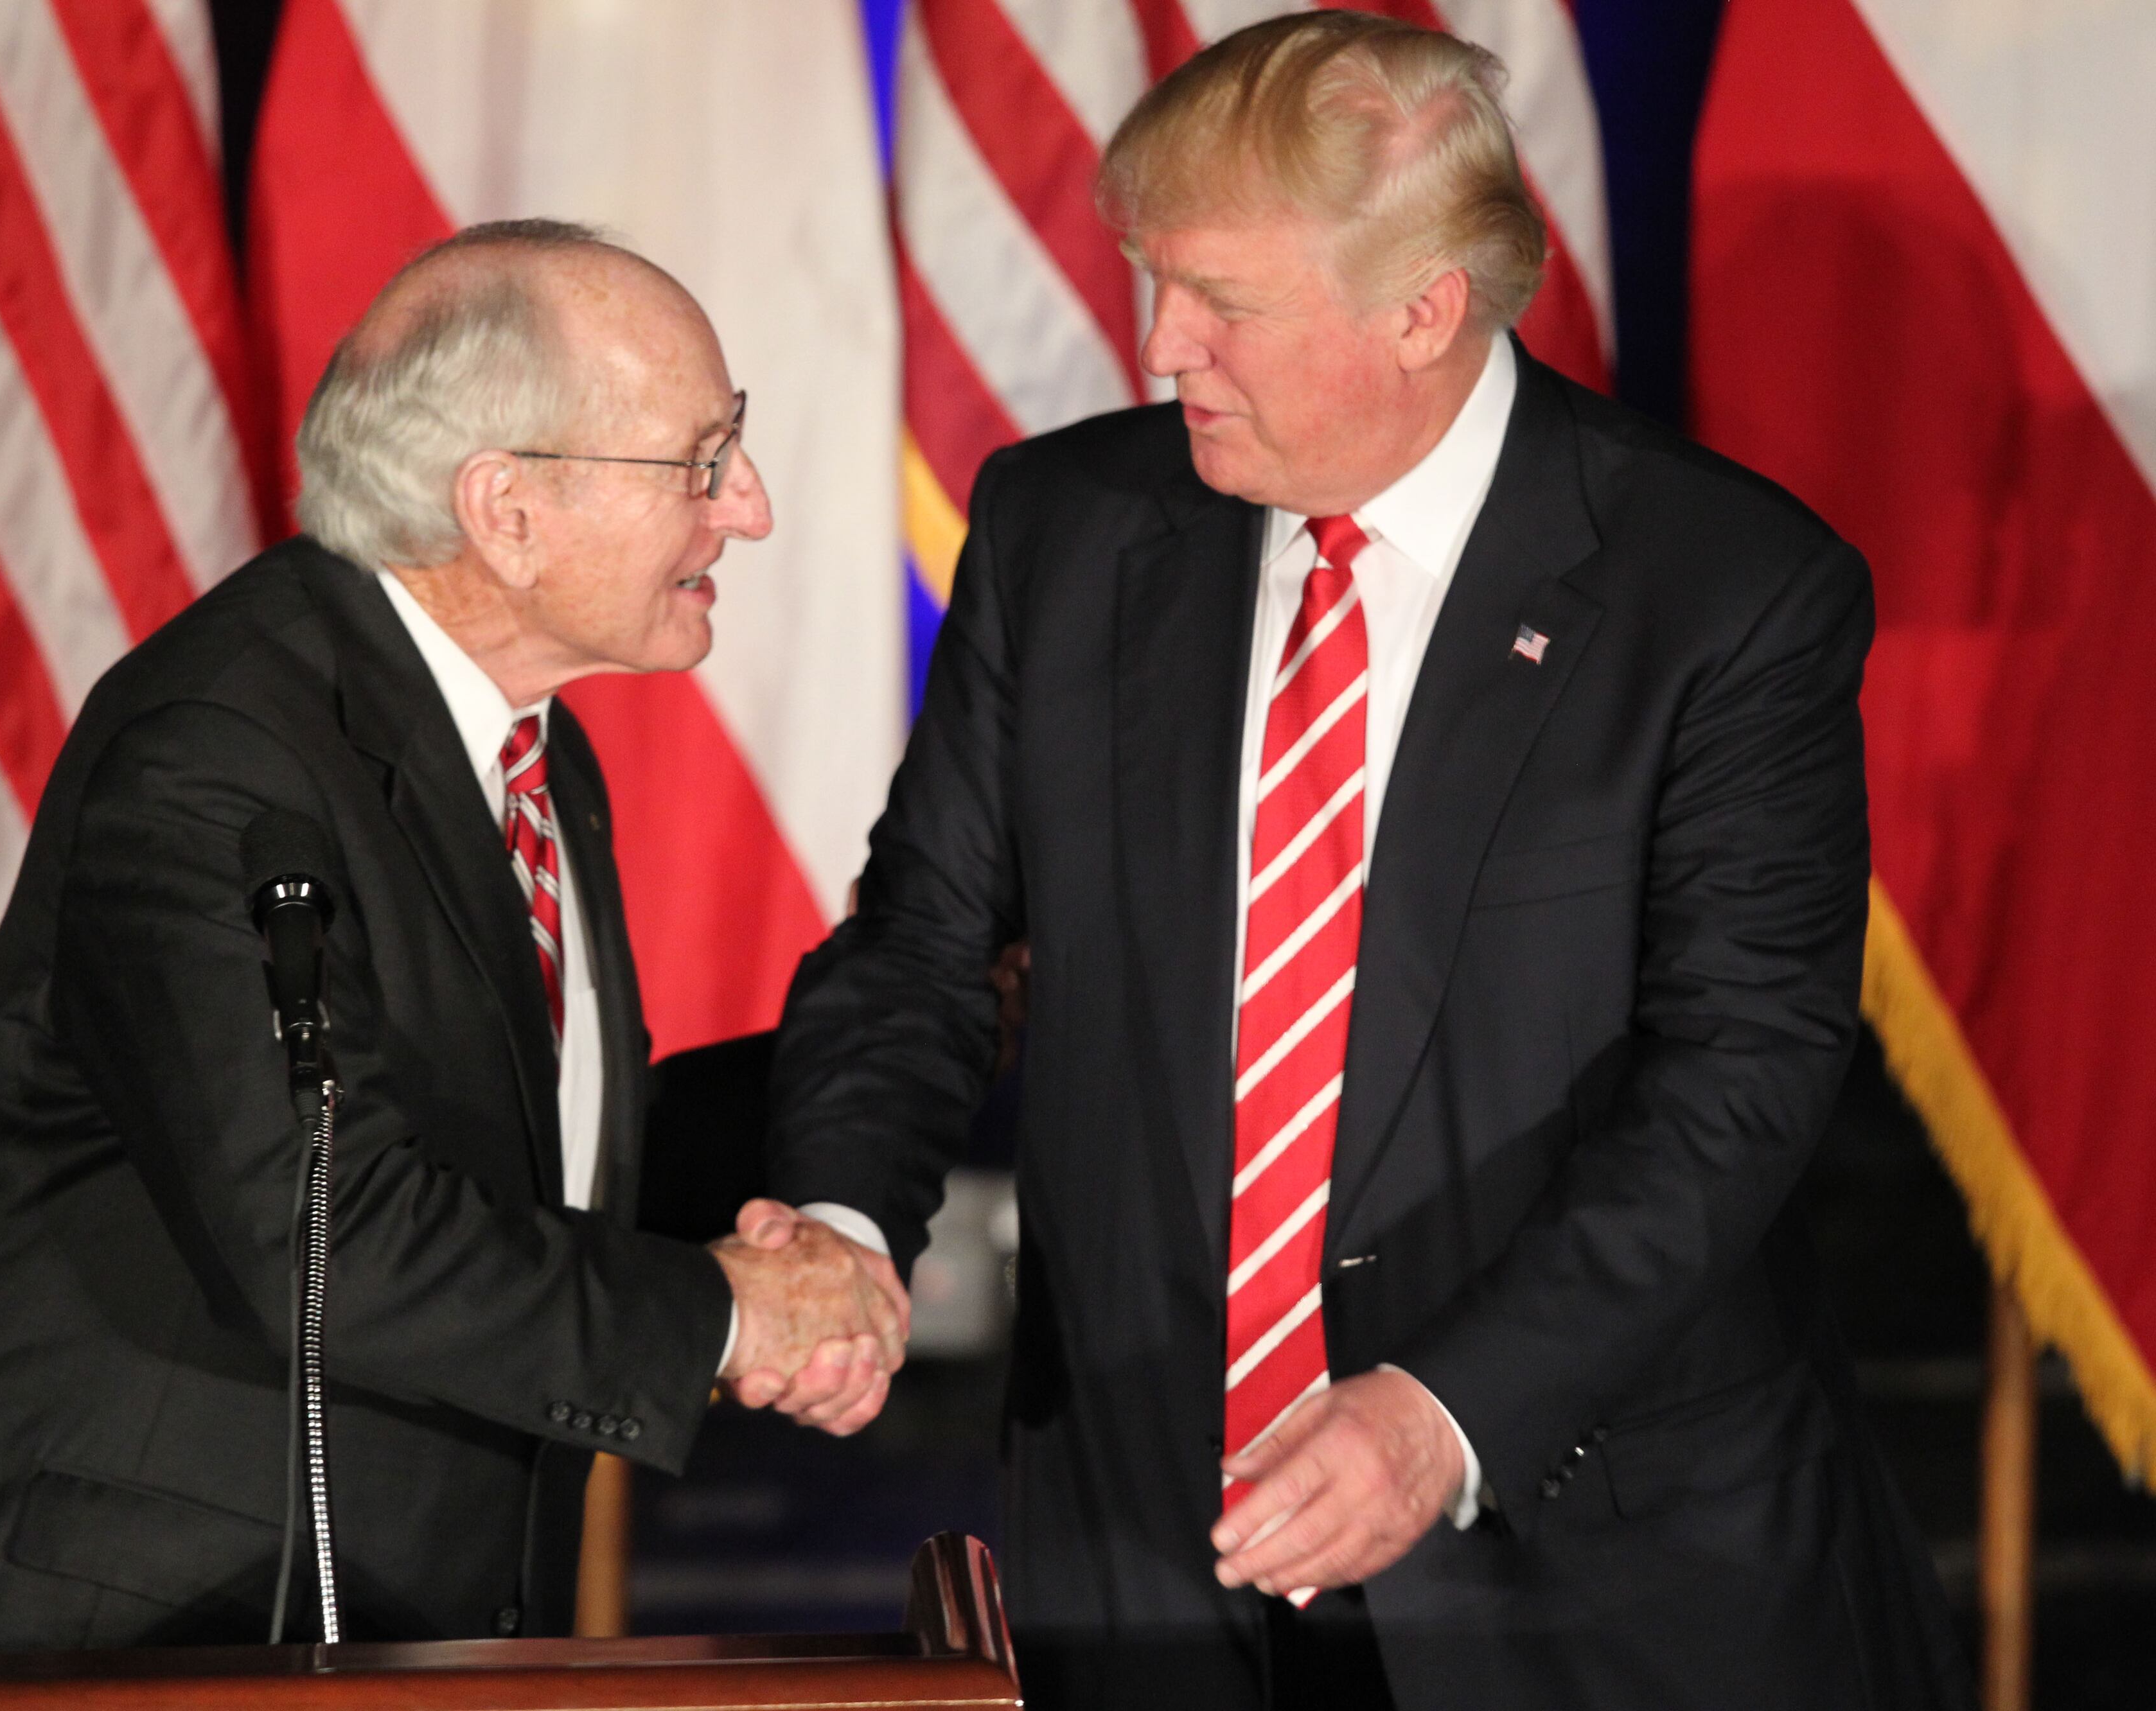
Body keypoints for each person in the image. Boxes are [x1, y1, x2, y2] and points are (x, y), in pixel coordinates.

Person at [764, 15, 1972, 1710]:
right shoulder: (1065, 529)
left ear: (1425, 310)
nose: (1166, 345)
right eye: (1152, 283)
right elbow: (925, 940)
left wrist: (1445, 1410)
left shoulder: (1724, 591)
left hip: (1592, 1560)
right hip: (1150, 1557)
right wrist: (841, 1222)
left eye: (1223, 302)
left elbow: (1741, 1078)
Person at [0, 222, 903, 1654]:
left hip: (373, 1630)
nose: (744, 505)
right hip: (110, 1641)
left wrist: (875, 1059)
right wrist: (729, 1319)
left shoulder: (530, 754)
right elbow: (322, 1230)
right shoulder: (226, 753)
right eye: (699, 457)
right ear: (504, 510)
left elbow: (527, 1155)